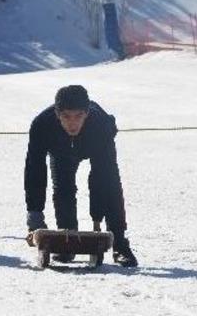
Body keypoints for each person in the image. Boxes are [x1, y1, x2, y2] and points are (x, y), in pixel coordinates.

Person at [24, 85, 138, 267]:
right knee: (63, 189)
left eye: (78, 116)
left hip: (93, 146)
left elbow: (102, 177)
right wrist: (35, 214)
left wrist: (97, 220)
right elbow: (34, 170)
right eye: (66, 117)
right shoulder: (42, 125)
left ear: (87, 114)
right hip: (60, 151)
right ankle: (67, 242)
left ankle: (120, 245)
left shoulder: (101, 125)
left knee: (110, 184)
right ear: (57, 114)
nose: (72, 123)